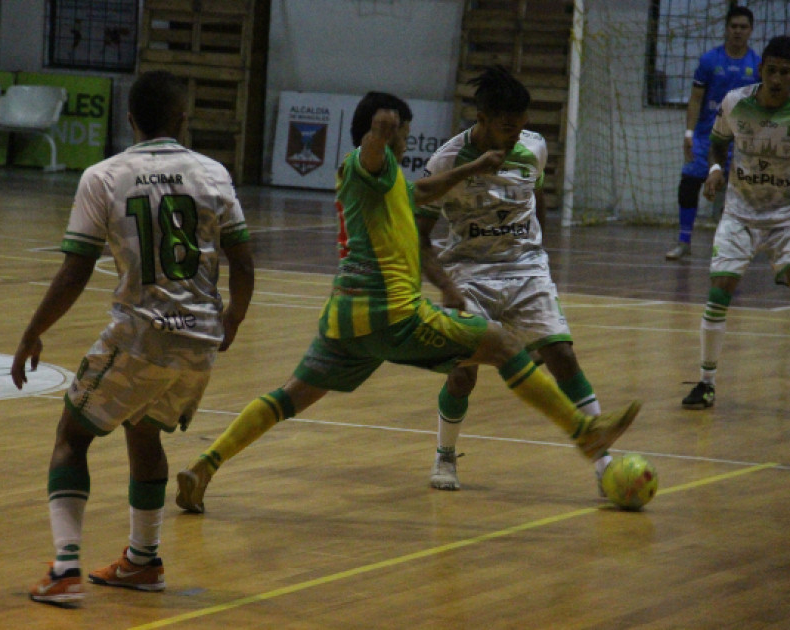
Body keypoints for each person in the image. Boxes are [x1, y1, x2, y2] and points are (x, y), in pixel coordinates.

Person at [174, 90, 641, 514]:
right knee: (502, 345)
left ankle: (204, 466)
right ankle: (585, 433)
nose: (406, 140)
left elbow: (423, 191)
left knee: (289, 396)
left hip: (344, 319)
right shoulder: (366, 164)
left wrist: (473, 168)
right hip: (391, 313)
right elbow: (371, 155)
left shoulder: (390, 180)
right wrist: (379, 134)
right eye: (402, 133)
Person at [11, 70, 255, 604]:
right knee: (144, 433)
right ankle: (143, 562)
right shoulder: (213, 173)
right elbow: (242, 261)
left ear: (129, 120)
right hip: (200, 342)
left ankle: (65, 571)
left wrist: (33, 331)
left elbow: (76, 270)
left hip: (142, 334)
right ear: (183, 119)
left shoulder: (104, 176)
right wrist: (232, 320)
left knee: (71, 436)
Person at [416, 66, 612, 493]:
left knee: (563, 355)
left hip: (526, 267)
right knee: (463, 372)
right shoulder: (448, 161)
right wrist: (446, 287)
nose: (514, 132)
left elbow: (535, 199)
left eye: (520, 123)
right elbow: (419, 235)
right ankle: (445, 455)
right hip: (468, 272)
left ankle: (604, 461)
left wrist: (539, 255)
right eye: (505, 124)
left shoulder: (533, 148)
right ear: (482, 119)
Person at [681, 35, 790, 409]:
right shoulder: (735, 102)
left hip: (785, 219)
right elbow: (718, 142)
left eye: (785, 73)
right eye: (772, 71)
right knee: (719, 293)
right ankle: (706, 383)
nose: (777, 79)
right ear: (761, 70)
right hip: (740, 213)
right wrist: (714, 170)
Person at [666, 5, 759, 261]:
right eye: (734, 26)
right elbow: (696, 99)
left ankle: (733, 246)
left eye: (743, 27)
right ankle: (684, 241)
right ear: (726, 29)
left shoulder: (756, 65)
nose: (738, 31)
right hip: (706, 138)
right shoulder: (709, 60)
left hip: (739, 142)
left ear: (751, 31)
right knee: (688, 184)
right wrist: (689, 133)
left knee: (738, 195)